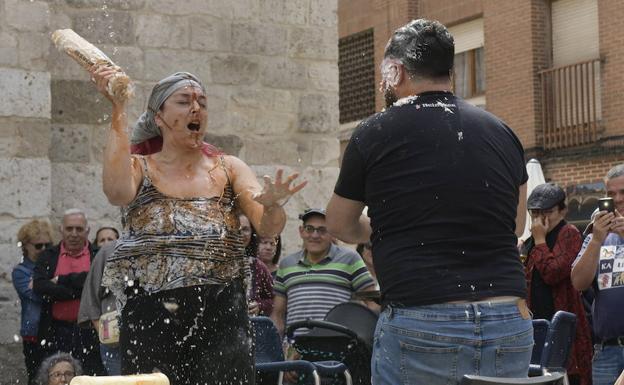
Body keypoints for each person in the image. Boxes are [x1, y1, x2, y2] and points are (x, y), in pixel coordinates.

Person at [326, 19, 530, 385]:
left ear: (396, 70)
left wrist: (377, 225)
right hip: (507, 321)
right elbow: (515, 226)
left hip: (423, 322)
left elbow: (339, 225)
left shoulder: (375, 131)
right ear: (449, 70)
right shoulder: (502, 132)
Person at [91, 67, 305, 385]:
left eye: (202, 102)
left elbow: (267, 226)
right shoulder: (140, 167)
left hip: (221, 307)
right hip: (151, 306)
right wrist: (118, 109)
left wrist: (273, 205)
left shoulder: (229, 167)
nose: (196, 109)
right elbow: (116, 191)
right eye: (184, 101)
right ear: (159, 116)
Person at [523, 183, 592, 385]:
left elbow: (554, 272)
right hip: (537, 327)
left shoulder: (568, 233)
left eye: (547, 212)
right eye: (535, 213)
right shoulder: (530, 242)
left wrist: (540, 241)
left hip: (563, 328)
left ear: (562, 210)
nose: (541, 219)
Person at [271, 208, 376, 337]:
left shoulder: (350, 259)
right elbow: (278, 314)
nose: (315, 235)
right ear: (301, 231)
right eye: (309, 229)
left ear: (332, 233)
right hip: (295, 350)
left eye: (322, 230)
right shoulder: (286, 264)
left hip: (336, 348)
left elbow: (373, 305)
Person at [32, 209, 104, 376]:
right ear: (61, 230)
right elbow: (40, 286)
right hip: (56, 331)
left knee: (91, 377)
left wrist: (61, 280)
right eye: (69, 228)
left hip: (90, 332)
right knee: (56, 377)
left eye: (79, 229)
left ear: (87, 231)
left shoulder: (98, 255)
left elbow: (101, 284)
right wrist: (83, 289)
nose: (74, 234)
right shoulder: (48, 256)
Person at [572, 163, 624, 385]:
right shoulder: (598, 233)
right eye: (611, 194)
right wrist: (596, 240)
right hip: (607, 350)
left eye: (623, 192)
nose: (618, 199)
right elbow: (578, 282)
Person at [13, 220, 54, 385]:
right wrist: (55, 284)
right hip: (34, 333)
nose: (43, 250)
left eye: (47, 245)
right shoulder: (21, 271)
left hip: (56, 329)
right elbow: (38, 296)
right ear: (26, 246)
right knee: (37, 378)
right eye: (38, 246)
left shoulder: (53, 266)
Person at [77, 241, 121, 375]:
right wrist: (105, 334)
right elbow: (91, 297)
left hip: (156, 336)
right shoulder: (109, 252)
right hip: (115, 340)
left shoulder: (163, 249)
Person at [239, 214, 275, 316]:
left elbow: (275, 300)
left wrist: (260, 305)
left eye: (245, 229)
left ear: (251, 233)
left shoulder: (258, 267)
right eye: (235, 228)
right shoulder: (216, 264)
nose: (240, 233)